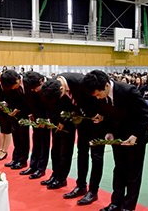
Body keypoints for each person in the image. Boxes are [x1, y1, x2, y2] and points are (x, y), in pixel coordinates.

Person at [82, 70, 148, 211]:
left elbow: (145, 116)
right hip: (118, 137)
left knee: (133, 173)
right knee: (119, 170)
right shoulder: (103, 96)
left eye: (98, 94)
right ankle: (116, 203)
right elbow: (108, 115)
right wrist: (108, 132)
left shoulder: (128, 91)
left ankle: (129, 206)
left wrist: (135, 136)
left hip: (135, 138)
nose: (98, 98)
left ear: (107, 85)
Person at [40, 73, 105, 206]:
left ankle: (93, 191)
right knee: (82, 152)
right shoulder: (54, 85)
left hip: (97, 120)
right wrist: (74, 112)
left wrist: (101, 114)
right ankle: (81, 185)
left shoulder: (80, 82)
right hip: (82, 121)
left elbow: (98, 98)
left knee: (96, 156)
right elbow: (67, 104)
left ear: (62, 89)